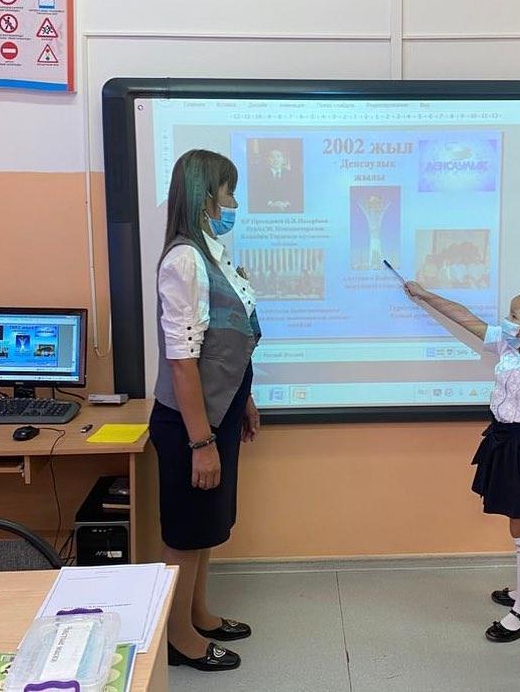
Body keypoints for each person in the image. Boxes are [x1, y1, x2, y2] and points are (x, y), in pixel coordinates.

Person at [404, 277, 520, 641]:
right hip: (504, 440)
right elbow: (465, 317)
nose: (506, 321)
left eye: (514, 316)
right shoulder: (509, 345)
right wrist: (425, 295)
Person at [149, 149, 262, 672]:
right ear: (203, 197)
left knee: (206, 526)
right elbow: (182, 362)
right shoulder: (185, 261)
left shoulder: (211, 254)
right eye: (228, 191)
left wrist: (245, 399)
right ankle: (178, 639)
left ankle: (197, 615)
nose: (233, 202)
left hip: (218, 415)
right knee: (185, 532)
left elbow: (224, 345)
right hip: (190, 426)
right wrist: (201, 443)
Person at [247, 146, 304, 213]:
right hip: (265, 211)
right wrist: (271, 204)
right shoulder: (259, 176)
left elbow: (296, 193)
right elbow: (256, 194)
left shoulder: (292, 175)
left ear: (283, 159)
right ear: (268, 160)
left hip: (289, 211)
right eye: (272, 157)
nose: (276, 159)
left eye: (278, 156)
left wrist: (286, 203)